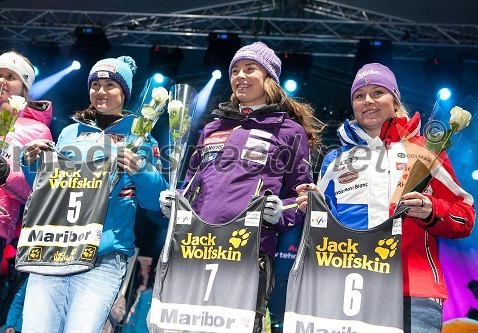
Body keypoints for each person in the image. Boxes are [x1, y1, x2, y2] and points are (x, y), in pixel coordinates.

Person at [296, 63, 475, 333]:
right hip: (349, 289)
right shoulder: (337, 160)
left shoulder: (426, 150)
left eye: (377, 92)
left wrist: (431, 209)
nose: (368, 101)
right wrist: (312, 207)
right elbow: (324, 227)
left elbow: (465, 216)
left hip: (413, 293)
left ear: (395, 101)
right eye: (359, 95)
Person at [159, 41, 323, 332]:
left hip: (248, 249)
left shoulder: (289, 131)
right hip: (195, 244)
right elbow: (192, 183)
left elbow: (302, 195)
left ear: (269, 78)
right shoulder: (213, 127)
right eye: (235, 70)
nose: (240, 76)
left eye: (250, 69)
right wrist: (175, 201)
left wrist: (280, 213)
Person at [20, 56, 168, 333]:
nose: (101, 91)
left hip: (105, 256)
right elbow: (45, 190)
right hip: (53, 248)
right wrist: (29, 164)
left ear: (124, 92)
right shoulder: (68, 133)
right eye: (95, 84)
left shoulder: (142, 138)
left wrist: (142, 170)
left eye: (110, 85)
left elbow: (154, 202)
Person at [0, 51, 53, 320]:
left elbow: (38, 192)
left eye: (11, 77)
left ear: (25, 87)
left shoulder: (37, 131)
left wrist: (6, 176)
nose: (2, 81)